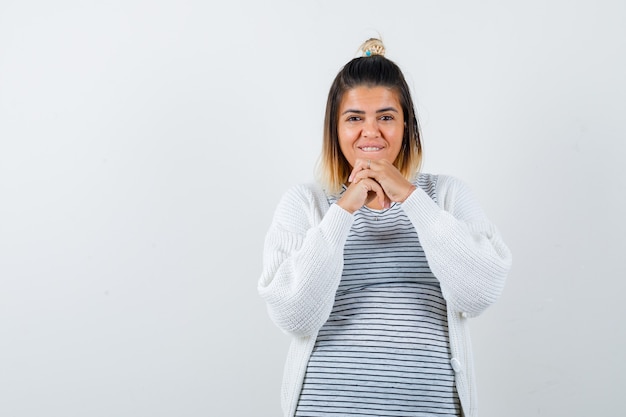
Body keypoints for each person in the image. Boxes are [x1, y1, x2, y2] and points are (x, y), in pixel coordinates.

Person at [258, 37, 512, 417]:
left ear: (406, 125)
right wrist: (344, 209)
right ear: (335, 128)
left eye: (386, 117)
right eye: (355, 118)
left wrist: (411, 198)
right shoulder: (306, 204)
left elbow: (479, 293)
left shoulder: (445, 196)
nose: (371, 132)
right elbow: (294, 315)